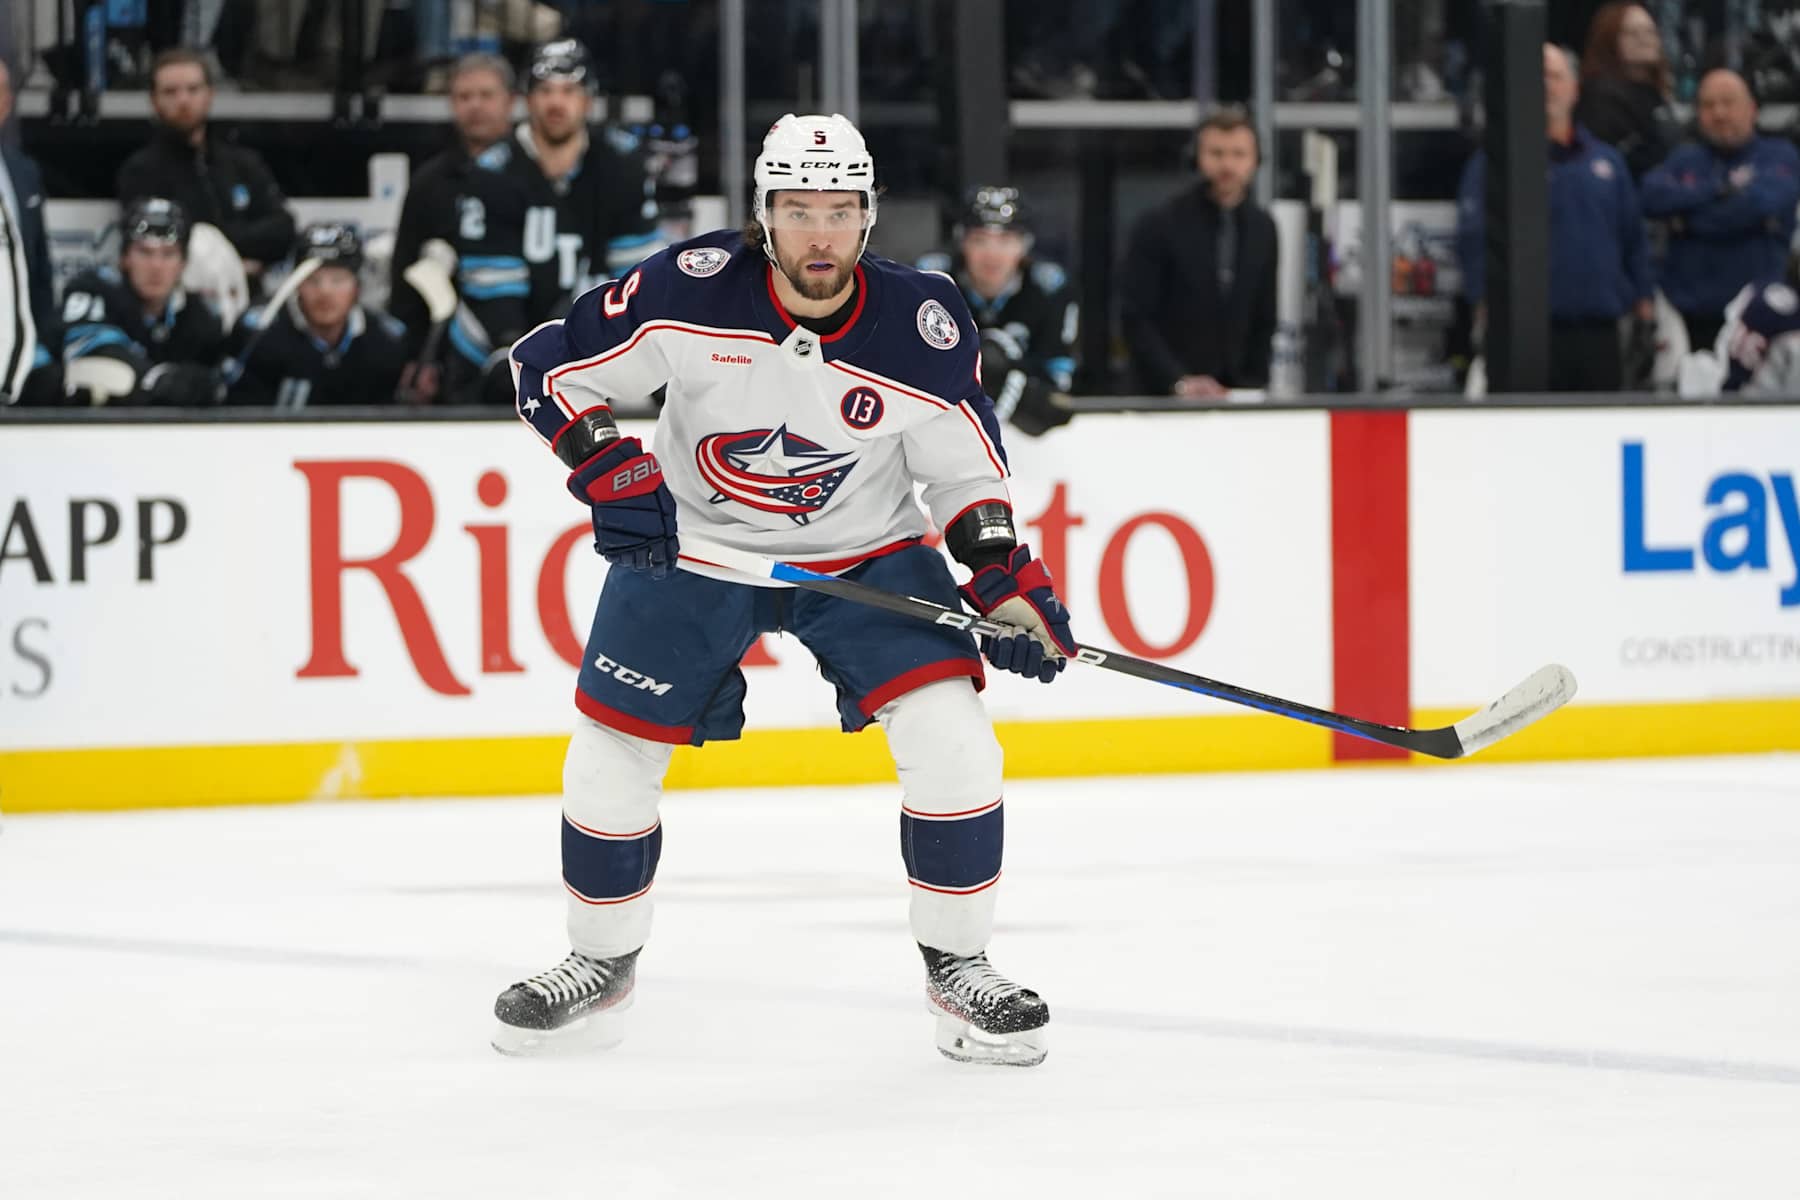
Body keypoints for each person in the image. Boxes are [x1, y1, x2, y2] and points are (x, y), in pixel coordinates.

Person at [496, 113, 1073, 1066]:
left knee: (956, 742)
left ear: (869, 216)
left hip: (864, 557)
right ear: (762, 214)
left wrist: (1007, 586)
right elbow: (543, 364)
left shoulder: (921, 323)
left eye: (840, 212)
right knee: (608, 755)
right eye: (798, 210)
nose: (820, 234)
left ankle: (960, 970)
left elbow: (966, 477)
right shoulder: (688, 289)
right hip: (695, 548)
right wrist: (609, 467)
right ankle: (600, 967)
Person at [1458, 45, 1653, 393]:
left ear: (1575, 88)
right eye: (1538, 77)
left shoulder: (1608, 163)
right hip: (1523, 335)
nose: (1548, 86)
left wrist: (1644, 308)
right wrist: (1483, 304)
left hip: (1600, 333)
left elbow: (1634, 240)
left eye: (1556, 76)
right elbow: (1474, 240)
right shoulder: (1495, 164)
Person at [387, 52, 521, 402]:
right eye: (464, 97)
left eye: (486, 95)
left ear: (511, 101)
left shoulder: (534, 174)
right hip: (451, 352)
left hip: (526, 338)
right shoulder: (429, 183)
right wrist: (418, 354)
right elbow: (405, 273)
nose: (475, 106)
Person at [1120, 106, 1279, 398]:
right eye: (1217, 153)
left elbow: (1264, 314)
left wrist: (1253, 384)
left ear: (1256, 160)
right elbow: (1135, 316)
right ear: (1197, 157)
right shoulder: (1159, 223)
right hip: (1162, 395)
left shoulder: (1263, 228)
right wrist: (1177, 379)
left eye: (1238, 154)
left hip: (1239, 393)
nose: (1227, 165)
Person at [502, 38, 665, 320]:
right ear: (528, 99)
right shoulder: (494, 171)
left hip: (599, 341)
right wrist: (510, 347)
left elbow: (638, 278)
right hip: (508, 347)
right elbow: (492, 288)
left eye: (568, 91)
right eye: (545, 90)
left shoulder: (622, 165)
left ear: (588, 100)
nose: (556, 102)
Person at [1640, 69, 1800, 353]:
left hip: (1759, 321)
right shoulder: (1684, 159)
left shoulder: (1779, 154)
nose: (1719, 113)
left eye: (1729, 103)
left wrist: (1688, 219)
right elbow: (1651, 196)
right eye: (1708, 105)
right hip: (1689, 316)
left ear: (1752, 108)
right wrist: (1719, 190)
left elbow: (1762, 205)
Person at [116, 49, 295, 281]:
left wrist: (214, 241)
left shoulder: (243, 162)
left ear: (210, 94)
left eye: (193, 89)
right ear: (153, 100)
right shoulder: (140, 170)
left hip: (249, 299)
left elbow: (283, 230)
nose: (183, 100)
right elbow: (154, 245)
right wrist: (235, 258)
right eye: (170, 92)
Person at [916, 186, 1077, 436]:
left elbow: (1057, 387)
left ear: (1024, 246)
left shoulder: (1048, 288)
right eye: (980, 239)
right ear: (962, 242)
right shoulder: (930, 282)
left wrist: (1007, 373)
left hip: (1024, 438)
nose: (992, 254)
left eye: (1005, 240)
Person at [57, 198, 228, 407]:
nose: (156, 266)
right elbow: (98, 357)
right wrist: (156, 379)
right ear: (125, 257)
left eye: (168, 254)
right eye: (145, 252)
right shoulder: (93, 290)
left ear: (183, 263)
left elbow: (214, 379)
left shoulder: (199, 316)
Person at [226, 224, 408, 408]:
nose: (325, 292)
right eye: (313, 280)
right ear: (296, 285)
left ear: (357, 287)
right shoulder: (259, 336)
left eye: (337, 280)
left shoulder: (385, 341)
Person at [0, 57, 59, 405]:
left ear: (6, 103)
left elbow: (37, 268)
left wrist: (47, 345)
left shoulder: (23, 171)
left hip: (14, 361)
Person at [1575, 3, 1683, 181]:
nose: (1644, 39)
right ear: (1610, 39)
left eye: (1650, 31)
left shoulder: (1657, 91)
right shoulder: (1601, 97)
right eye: (1632, 33)